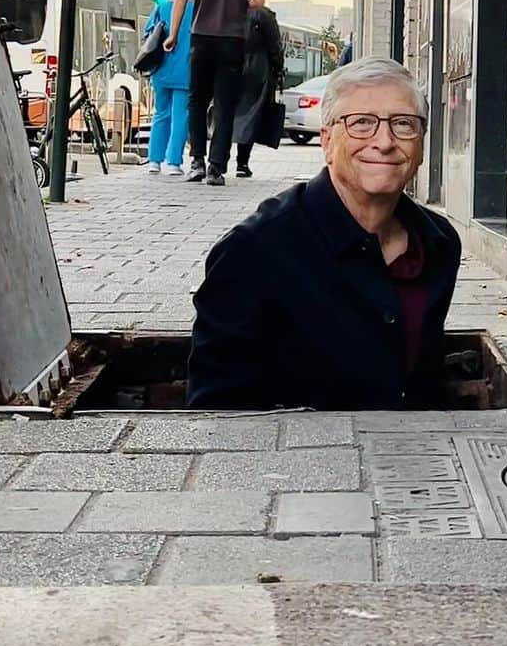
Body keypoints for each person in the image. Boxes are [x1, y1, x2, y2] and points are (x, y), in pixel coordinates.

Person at [186, 56, 461, 408]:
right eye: (361, 123)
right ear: (327, 141)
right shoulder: (254, 251)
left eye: (403, 124)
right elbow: (214, 412)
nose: (385, 141)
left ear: (421, 144)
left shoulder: (438, 244)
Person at [165, 0, 264, 187]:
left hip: (202, 38)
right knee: (224, 106)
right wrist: (238, 3)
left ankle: (196, 161)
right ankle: (216, 168)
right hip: (233, 41)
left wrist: (173, 34)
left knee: (196, 101)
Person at [146, 0, 192, 176]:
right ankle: (174, 162)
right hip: (186, 71)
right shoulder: (195, 10)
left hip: (161, 70)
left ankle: (154, 161)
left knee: (160, 113)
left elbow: (148, 34)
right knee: (181, 116)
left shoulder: (161, 7)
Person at [233, 4, 284, 178]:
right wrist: (278, 69)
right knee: (251, 115)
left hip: (233, 67)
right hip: (258, 70)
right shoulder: (264, 15)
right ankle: (242, 162)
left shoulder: (228, 10)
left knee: (228, 113)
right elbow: (275, 45)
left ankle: (218, 162)